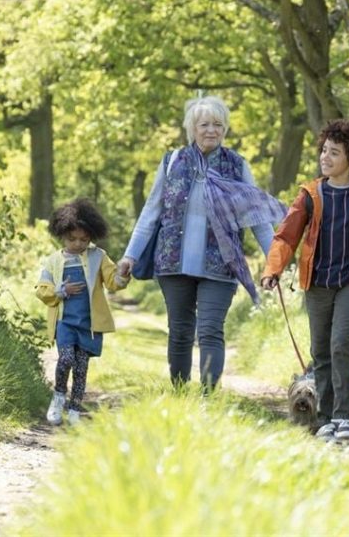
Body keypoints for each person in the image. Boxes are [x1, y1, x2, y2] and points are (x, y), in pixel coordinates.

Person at [117, 96, 285, 391]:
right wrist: (130, 255)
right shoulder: (172, 162)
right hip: (173, 262)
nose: (211, 130)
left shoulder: (236, 166)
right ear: (192, 128)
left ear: (225, 129)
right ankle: (180, 394)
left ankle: (209, 398)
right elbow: (151, 210)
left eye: (218, 124)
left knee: (210, 330)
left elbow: (258, 218)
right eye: (204, 124)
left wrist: (275, 262)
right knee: (180, 332)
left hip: (221, 263)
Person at [260, 120, 349, 442]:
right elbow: (286, 235)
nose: (325, 157)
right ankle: (324, 418)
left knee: (341, 343)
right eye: (324, 150)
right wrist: (273, 269)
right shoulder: (310, 195)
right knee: (321, 350)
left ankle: (345, 416)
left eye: (334, 152)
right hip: (318, 282)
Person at [36, 198, 129, 425]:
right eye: (72, 239)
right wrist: (60, 291)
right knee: (65, 359)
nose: (78, 244)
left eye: (84, 239)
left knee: (81, 367)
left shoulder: (99, 256)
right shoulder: (53, 262)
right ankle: (58, 398)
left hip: (88, 324)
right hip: (65, 322)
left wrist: (123, 275)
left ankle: (75, 409)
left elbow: (112, 281)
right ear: (62, 234)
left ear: (91, 237)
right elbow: (41, 290)